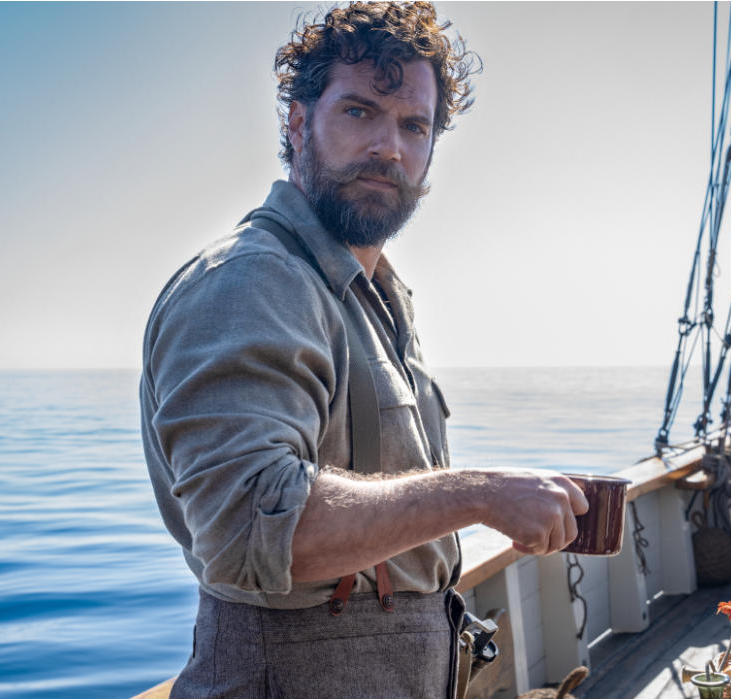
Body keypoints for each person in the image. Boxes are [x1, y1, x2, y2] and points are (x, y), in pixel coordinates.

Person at [139, 2, 589, 697]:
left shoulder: (374, 295)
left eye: (414, 125)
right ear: (298, 123)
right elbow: (249, 527)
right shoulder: (253, 280)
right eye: (358, 112)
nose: (389, 147)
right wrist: (481, 493)